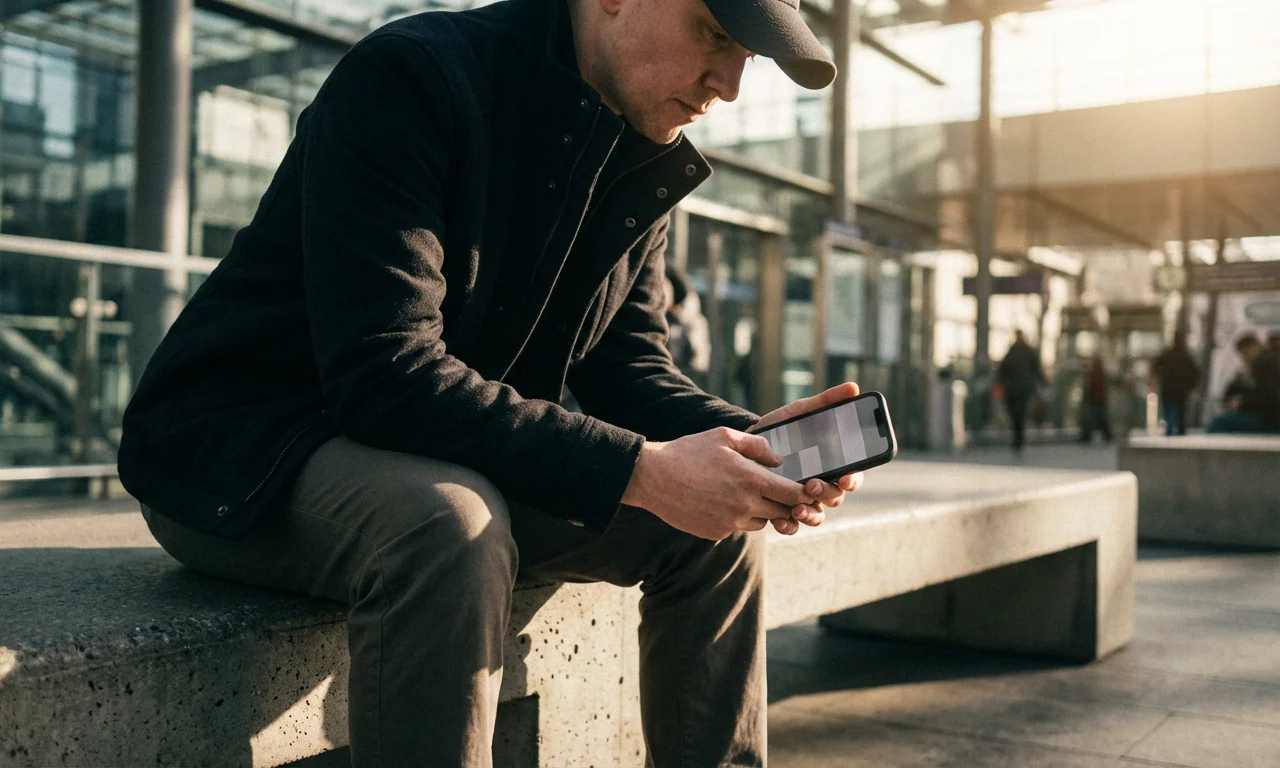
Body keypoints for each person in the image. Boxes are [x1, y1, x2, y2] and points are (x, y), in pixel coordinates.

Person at [118, 0, 851, 765]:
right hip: (248, 452)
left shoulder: (640, 144)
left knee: (716, 533)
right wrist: (640, 469)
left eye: (748, 57)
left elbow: (627, 368)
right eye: (715, 36)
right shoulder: (414, 76)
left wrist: (749, 448)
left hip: (443, 448)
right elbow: (386, 372)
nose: (729, 84)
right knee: (447, 526)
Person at [1208, 333, 1280, 433]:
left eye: (1243, 354)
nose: (1243, 358)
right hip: (1272, 417)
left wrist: (1241, 403)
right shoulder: (1271, 360)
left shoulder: (1263, 363)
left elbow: (1267, 397)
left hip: (1271, 420)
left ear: (1251, 349)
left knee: (1218, 422)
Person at [996, 330, 1045, 453]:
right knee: (1017, 414)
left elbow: (1036, 370)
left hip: (1019, 389)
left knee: (1019, 414)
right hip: (1016, 389)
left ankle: (1018, 438)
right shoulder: (1019, 352)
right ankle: (1018, 437)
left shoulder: (1018, 353)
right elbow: (1002, 372)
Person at [1151, 331, 1199, 436]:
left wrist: (1159, 377)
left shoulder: (1167, 354)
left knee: (1169, 412)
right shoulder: (1186, 356)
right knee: (1181, 412)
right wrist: (1190, 385)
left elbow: (1155, 367)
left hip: (1168, 389)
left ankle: (1169, 431)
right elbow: (1195, 372)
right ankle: (1180, 432)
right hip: (1181, 390)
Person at [1080, 354, 1112, 443]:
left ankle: (1087, 436)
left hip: (1095, 401)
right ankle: (1106, 435)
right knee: (1100, 419)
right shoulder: (1099, 372)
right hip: (1098, 400)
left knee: (1095, 419)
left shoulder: (1094, 373)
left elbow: (1090, 387)